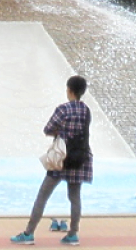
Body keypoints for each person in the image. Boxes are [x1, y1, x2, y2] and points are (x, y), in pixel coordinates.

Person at [13, 75, 91, 246]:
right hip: (79, 158)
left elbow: (48, 129)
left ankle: (29, 233)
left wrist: (60, 133)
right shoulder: (86, 111)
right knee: (75, 197)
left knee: (43, 195)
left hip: (61, 158)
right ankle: (73, 234)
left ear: (69, 90)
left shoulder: (63, 109)